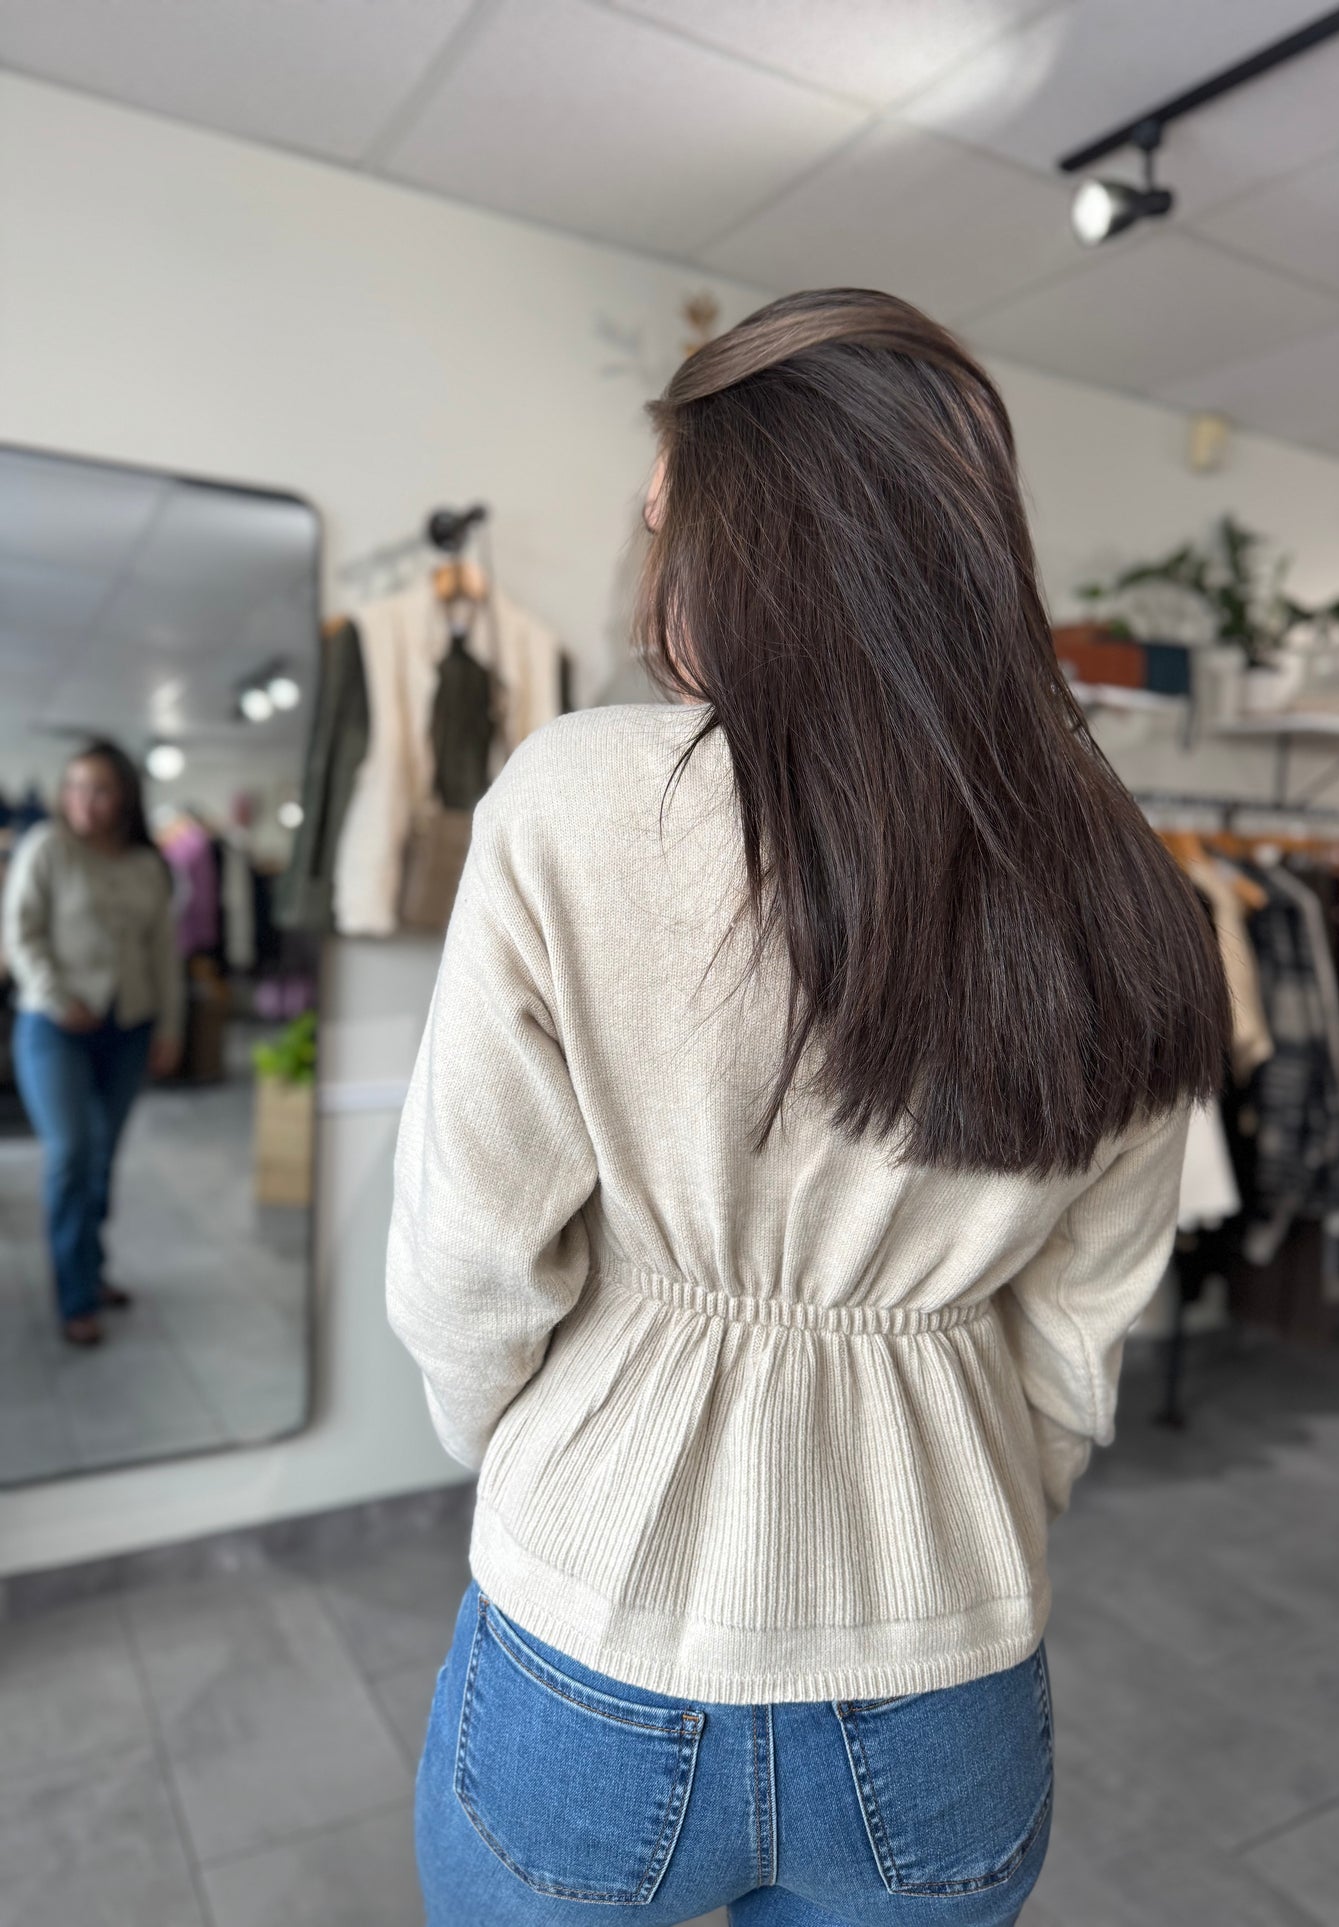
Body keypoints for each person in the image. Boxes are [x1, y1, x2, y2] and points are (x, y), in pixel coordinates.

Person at [388, 290, 1230, 1927]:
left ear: (743, 541)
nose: (652, 559)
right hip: (946, 1667)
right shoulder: (1124, 885)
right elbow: (1082, 1334)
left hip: (594, 1645)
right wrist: (958, 1494)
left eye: (665, 517)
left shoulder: (574, 802)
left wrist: (553, 1465)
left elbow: (464, 1270)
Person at [3, 740, 182, 1346]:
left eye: (100, 789)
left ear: (125, 796)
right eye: (75, 786)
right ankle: (74, 1296)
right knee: (72, 1152)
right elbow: (20, 933)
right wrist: (58, 996)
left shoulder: (147, 866)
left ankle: (91, 1265)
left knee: (102, 1158)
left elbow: (163, 954)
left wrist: (170, 1027)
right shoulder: (45, 848)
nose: (85, 800)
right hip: (54, 1028)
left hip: (128, 1027)